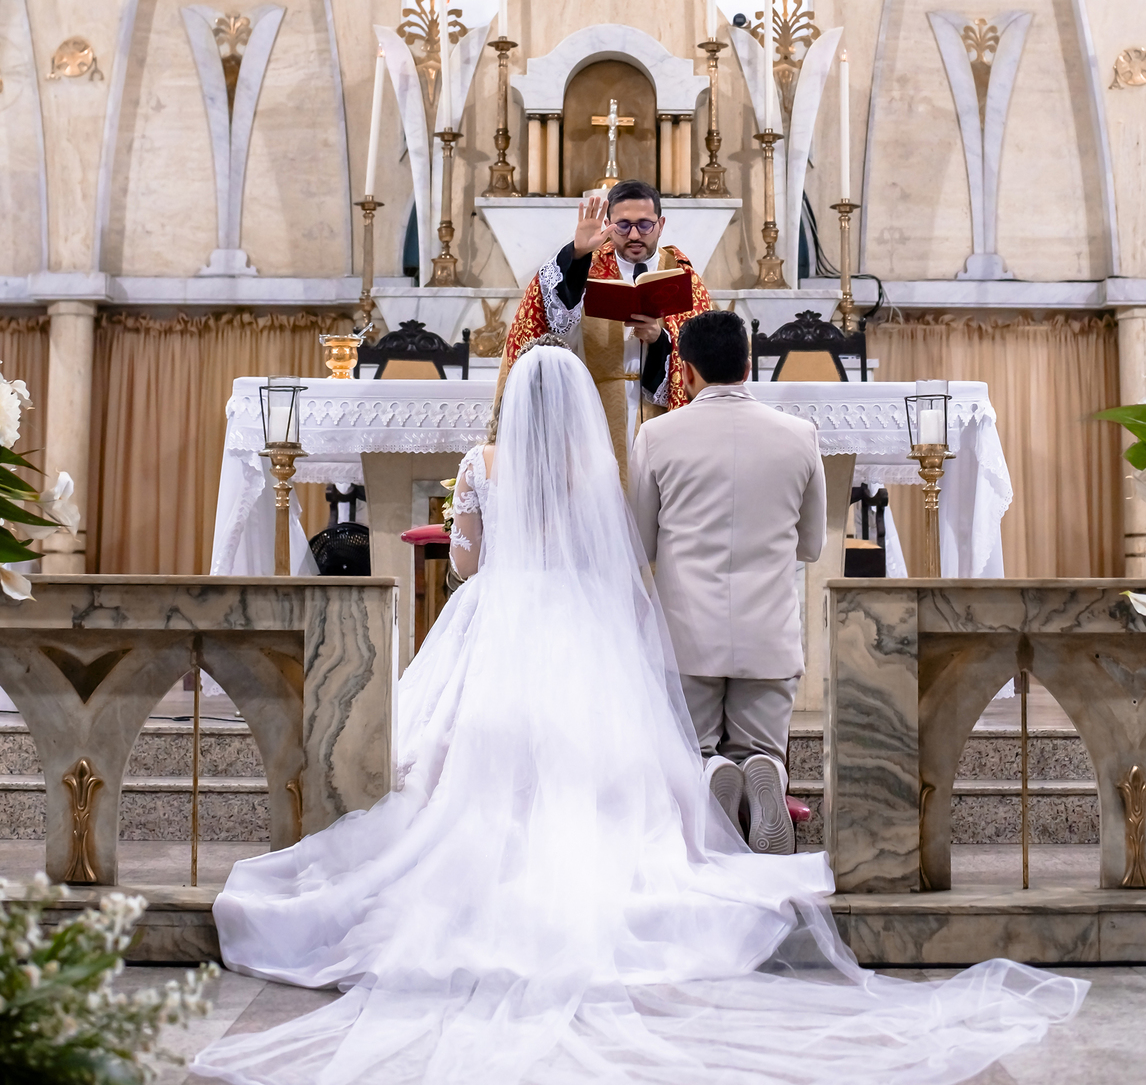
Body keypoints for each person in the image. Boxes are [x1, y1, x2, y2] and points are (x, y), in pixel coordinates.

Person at [194, 339, 1085, 1085]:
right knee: (604, 757)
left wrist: (487, 558)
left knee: (461, 754)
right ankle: (741, 772)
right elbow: (623, 556)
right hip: (588, 621)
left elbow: (463, 563)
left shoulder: (481, 464)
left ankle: (677, 781)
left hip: (497, 620)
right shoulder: (599, 466)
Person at [629, 310, 825, 856]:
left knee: (691, 747)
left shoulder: (657, 435)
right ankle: (762, 769)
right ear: (749, 364)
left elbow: (640, 543)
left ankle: (710, 770)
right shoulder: (799, 435)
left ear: (685, 372)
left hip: (688, 636)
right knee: (763, 744)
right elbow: (810, 545)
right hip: (769, 634)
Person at [501, 179, 711, 480]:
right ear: (608, 223)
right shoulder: (585, 265)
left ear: (661, 224)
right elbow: (546, 320)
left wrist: (660, 340)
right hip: (593, 413)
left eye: (644, 225)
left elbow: (704, 356)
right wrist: (576, 254)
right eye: (623, 226)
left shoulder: (682, 274)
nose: (635, 235)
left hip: (660, 416)